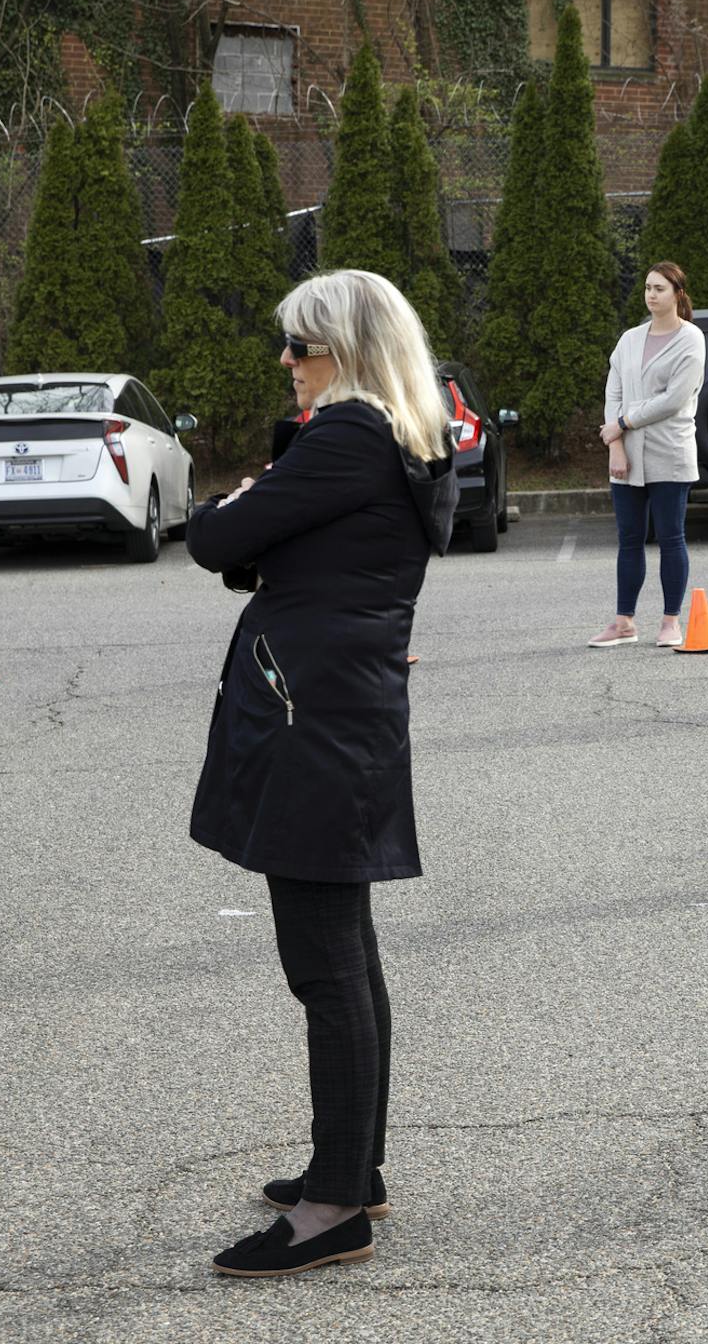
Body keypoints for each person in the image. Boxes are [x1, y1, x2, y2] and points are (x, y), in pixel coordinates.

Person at [183, 269, 457, 1277]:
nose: (286, 364)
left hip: (316, 722)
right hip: (343, 712)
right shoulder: (400, 434)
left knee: (326, 966)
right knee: (347, 956)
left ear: (345, 351)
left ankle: (335, 1206)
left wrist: (244, 499)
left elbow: (218, 537)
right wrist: (256, 518)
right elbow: (254, 555)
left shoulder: (346, 435)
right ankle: (354, 1166)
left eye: (299, 346)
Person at [589, 262, 707, 648]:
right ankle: (624, 621)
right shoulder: (629, 339)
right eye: (647, 288)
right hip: (626, 454)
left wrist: (622, 423)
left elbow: (673, 400)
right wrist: (616, 446)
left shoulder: (691, 339)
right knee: (629, 538)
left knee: (671, 537)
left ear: (678, 294)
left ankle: (671, 621)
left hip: (669, 452)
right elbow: (613, 393)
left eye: (659, 288)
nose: (651, 294)